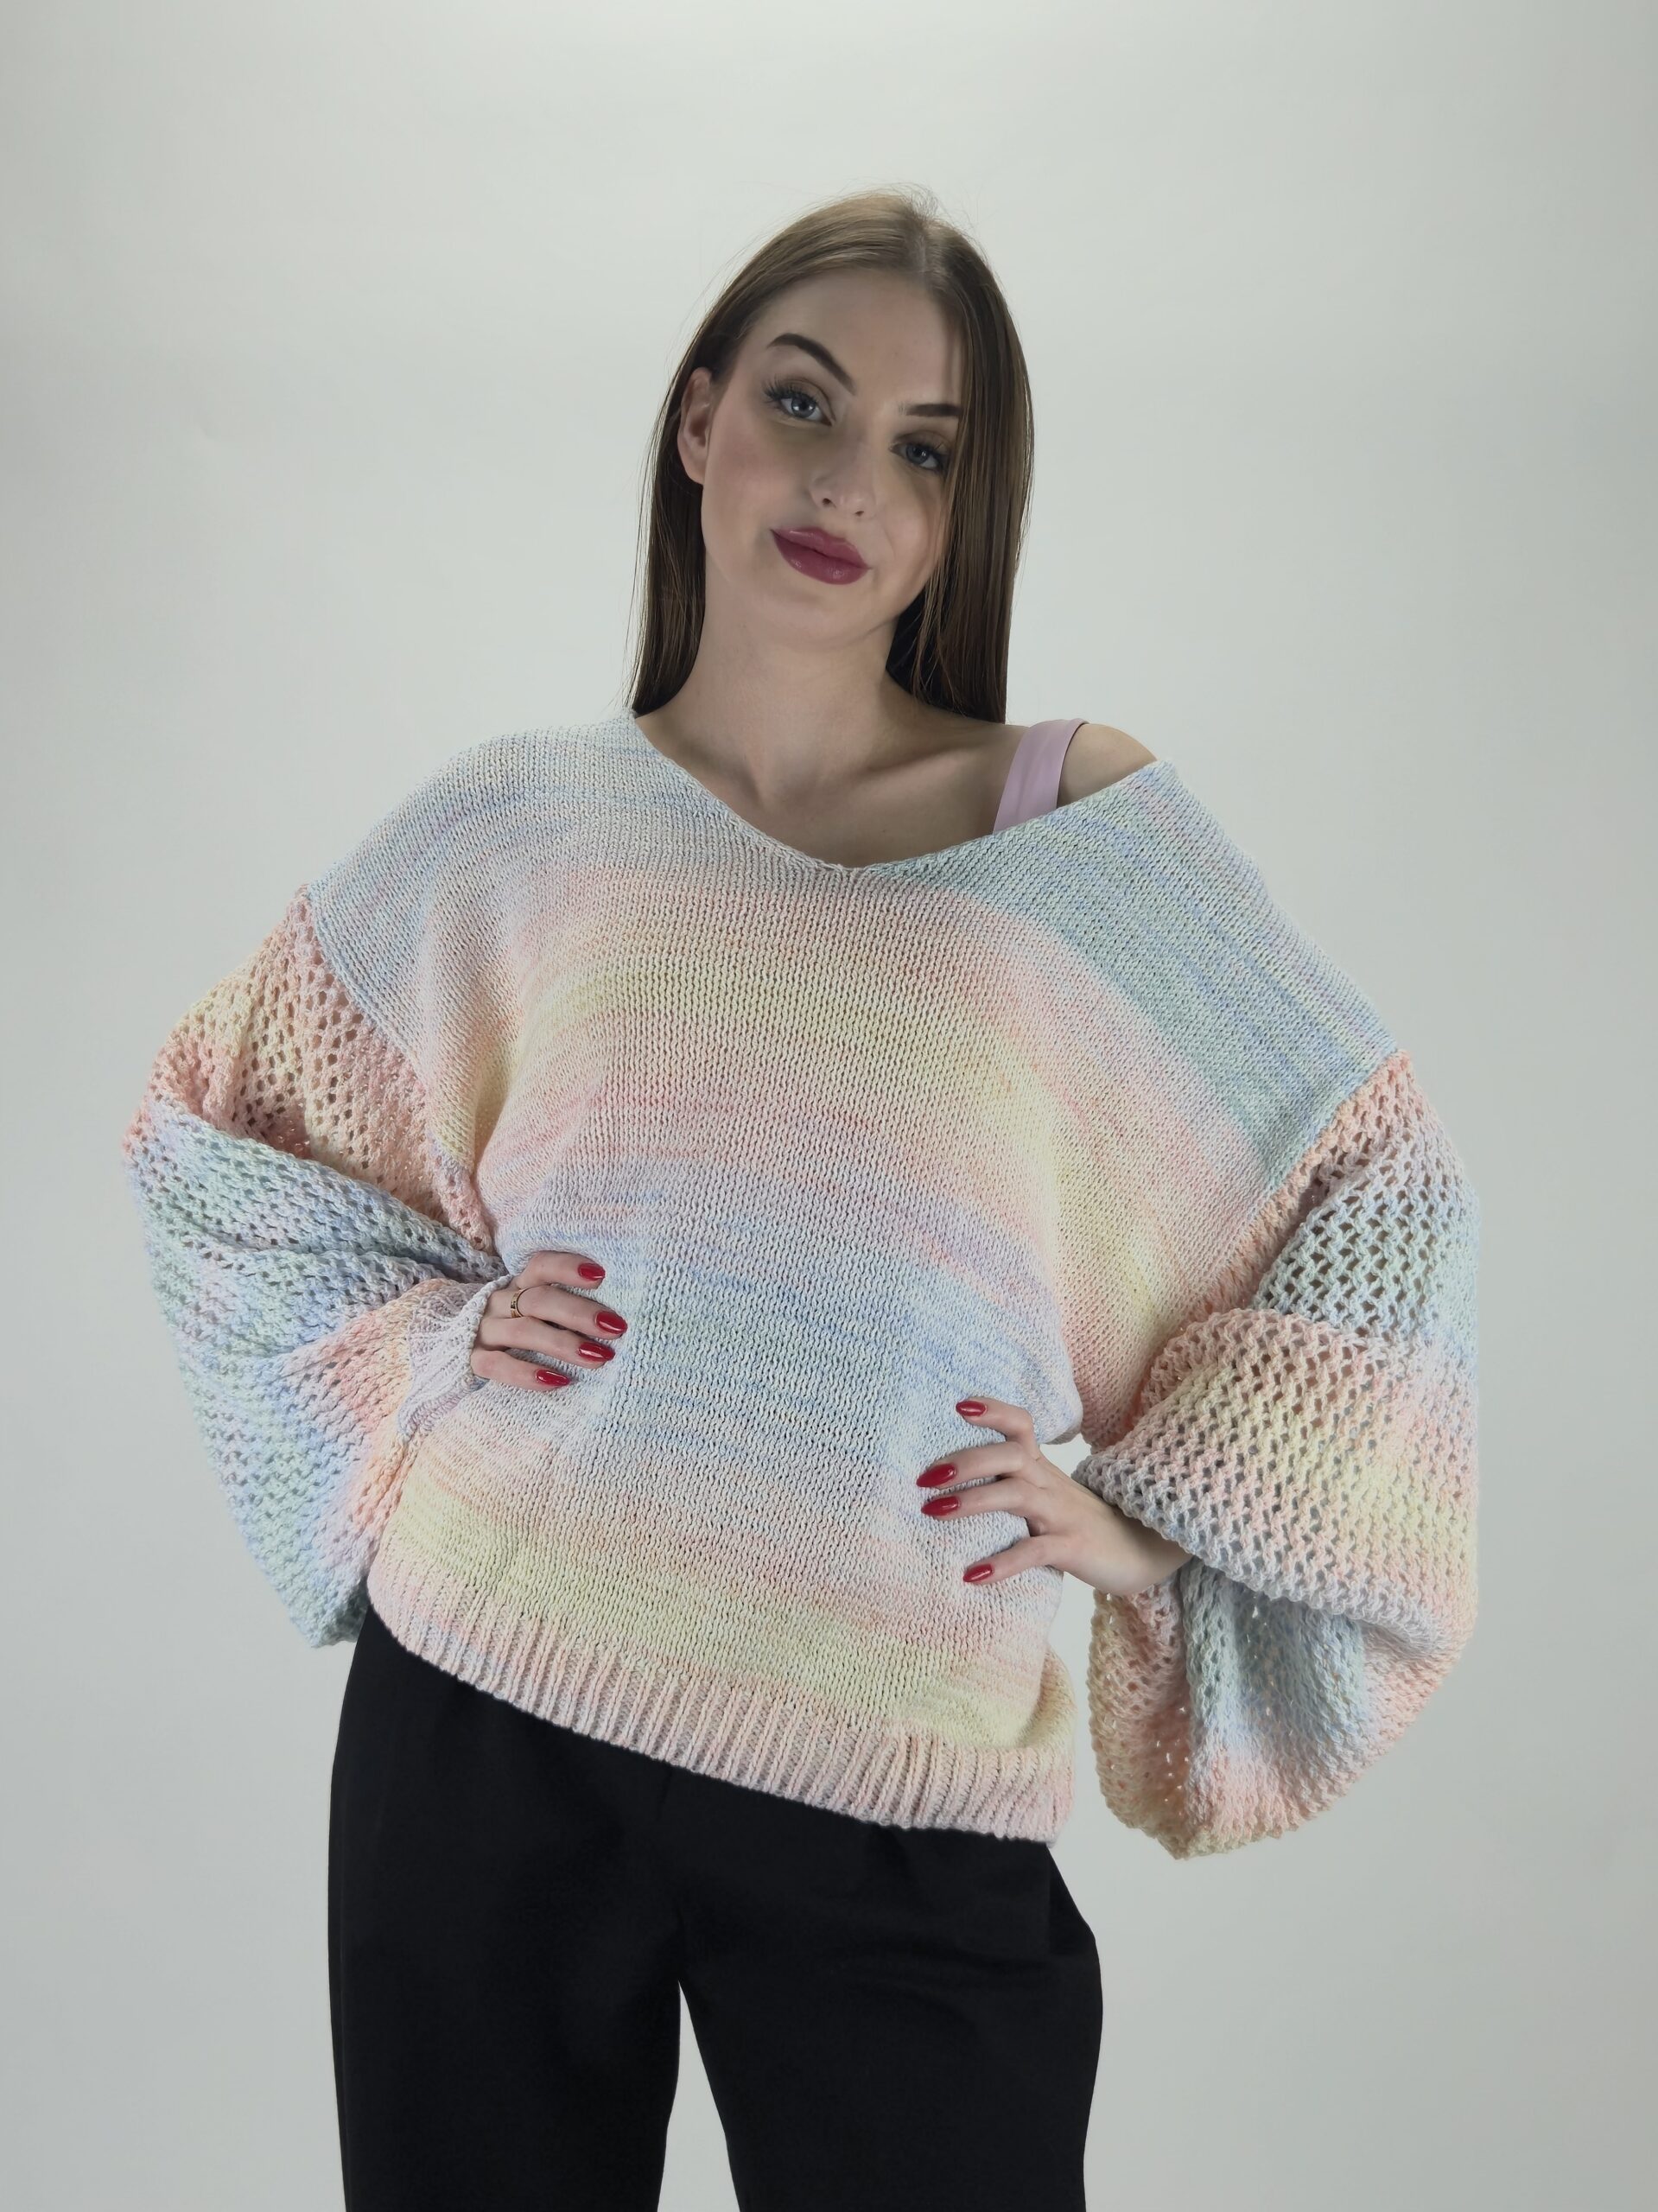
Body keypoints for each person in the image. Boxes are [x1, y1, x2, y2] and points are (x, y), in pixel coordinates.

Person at [120, 187, 1481, 2212]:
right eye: (804, 401)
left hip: (901, 1767)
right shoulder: (520, 825)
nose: (852, 481)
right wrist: (426, 1341)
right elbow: (212, 1128)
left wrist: (1154, 1525)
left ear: (959, 512)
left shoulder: (1079, 831)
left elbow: (1378, 1190)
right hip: (487, 1717)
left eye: (926, 449)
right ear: (699, 421)